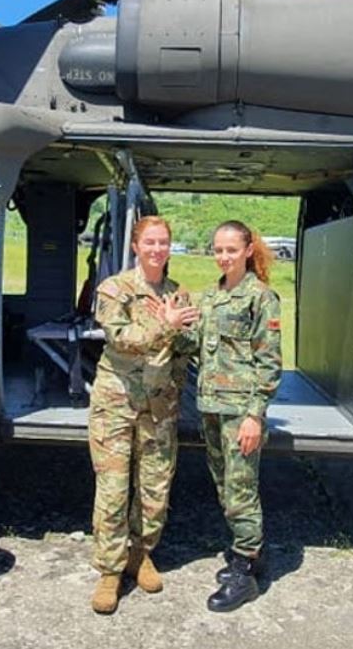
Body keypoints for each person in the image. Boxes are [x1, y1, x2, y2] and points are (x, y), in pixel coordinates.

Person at [156, 220, 282, 613]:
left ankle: (245, 572)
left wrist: (255, 416)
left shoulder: (260, 297)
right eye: (218, 249)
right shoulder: (211, 296)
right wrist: (173, 325)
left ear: (247, 250)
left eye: (231, 249)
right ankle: (252, 554)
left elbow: (270, 362)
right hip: (210, 406)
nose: (223, 256)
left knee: (241, 491)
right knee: (225, 486)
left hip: (239, 411)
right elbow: (196, 345)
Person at [88, 215, 199, 614]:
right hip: (116, 402)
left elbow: (188, 345)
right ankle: (110, 571)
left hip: (160, 405)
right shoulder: (115, 289)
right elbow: (122, 339)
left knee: (155, 490)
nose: (156, 249)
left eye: (163, 242)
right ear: (136, 246)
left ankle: (141, 554)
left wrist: (185, 329)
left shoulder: (177, 293)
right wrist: (166, 326)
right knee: (114, 489)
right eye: (149, 242)